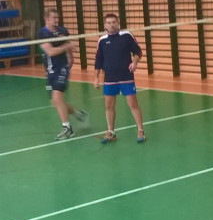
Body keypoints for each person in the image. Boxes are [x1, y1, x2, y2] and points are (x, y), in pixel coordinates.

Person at [93, 13, 146, 144]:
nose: (111, 25)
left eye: (114, 22)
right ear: (105, 25)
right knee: (108, 106)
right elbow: (98, 60)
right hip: (109, 78)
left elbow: (138, 51)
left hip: (126, 77)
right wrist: (96, 78)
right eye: (109, 23)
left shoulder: (126, 36)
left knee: (132, 104)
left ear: (118, 23)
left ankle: (140, 130)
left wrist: (135, 62)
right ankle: (111, 132)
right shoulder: (102, 40)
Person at [38, 8, 88, 140]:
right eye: (53, 18)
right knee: (55, 102)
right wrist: (67, 47)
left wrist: (71, 57)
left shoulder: (63, 31)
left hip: (61, 68)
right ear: (46, 19)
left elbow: (68, 44)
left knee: (57, 97)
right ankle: (79, 114)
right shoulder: (42, 33)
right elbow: (51, 52)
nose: (56, 20)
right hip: (50, 70)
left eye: (57, 17)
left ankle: (67, 128)